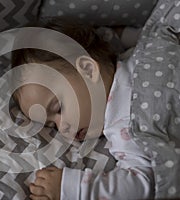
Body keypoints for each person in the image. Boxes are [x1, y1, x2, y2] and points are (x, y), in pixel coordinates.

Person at [11, 17, 154, 200]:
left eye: (59, 108)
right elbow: (145, 184)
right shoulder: (124, 127)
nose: (62, 128)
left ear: (87, 70)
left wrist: (119, 33)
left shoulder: (139, 51)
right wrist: (71, 187)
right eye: (53, 125)